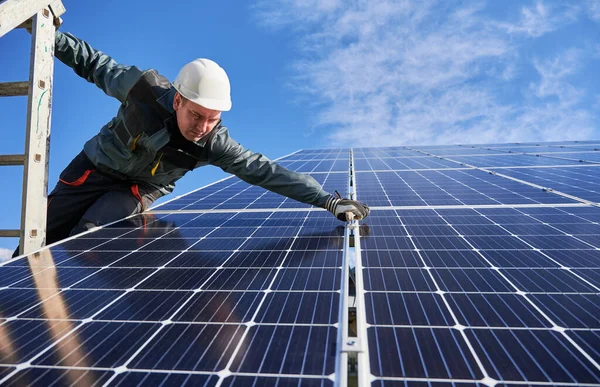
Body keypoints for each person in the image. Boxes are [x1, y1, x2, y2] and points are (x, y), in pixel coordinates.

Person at [13, 30, 369, 257]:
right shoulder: (144, 91)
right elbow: (93, 63)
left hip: (137, 189)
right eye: (197, 116)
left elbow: (264, 171)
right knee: (39, 235)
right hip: (92, 168)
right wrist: (46, 28)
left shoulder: (214, 143)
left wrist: (326, 200)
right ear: (179, 100)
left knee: (87, 238)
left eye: (213, 119)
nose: (203, 127)